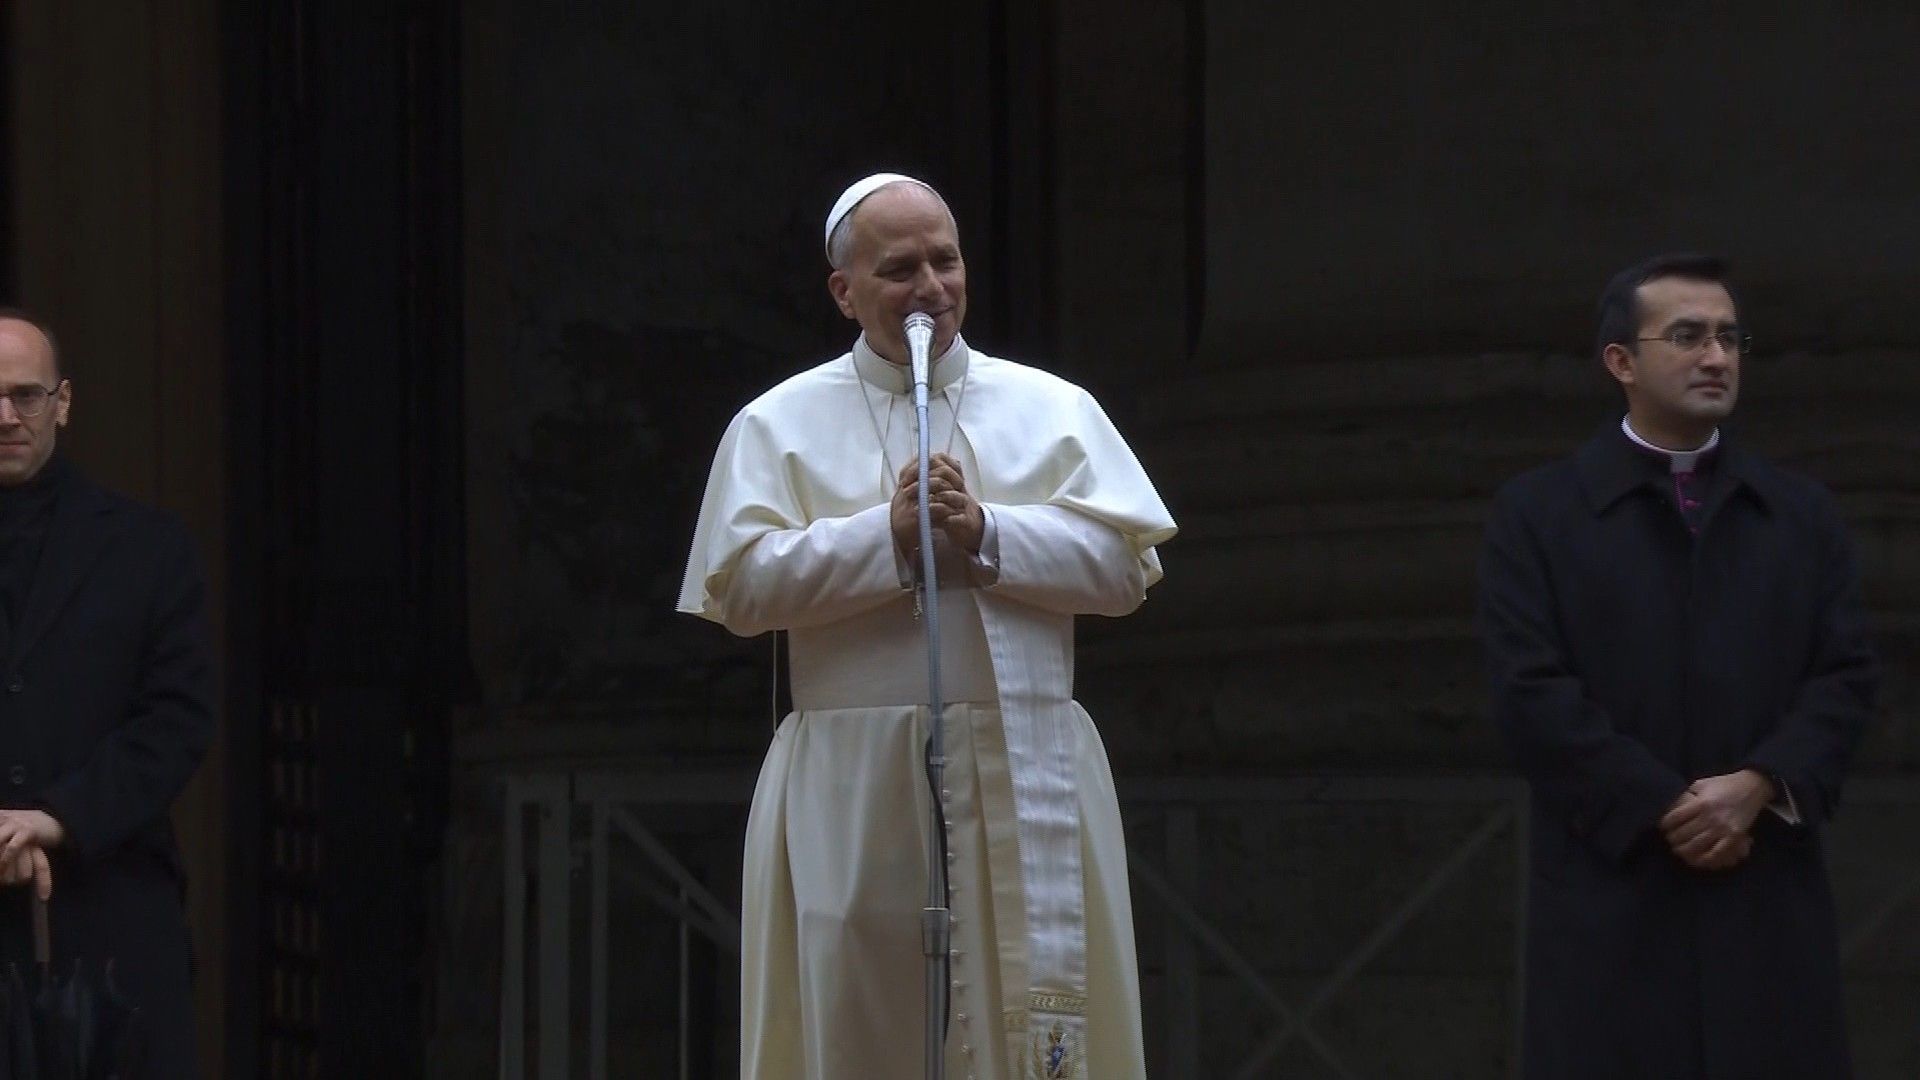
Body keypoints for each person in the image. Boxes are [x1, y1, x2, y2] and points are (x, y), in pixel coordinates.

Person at [679, 174, 1175, 1078]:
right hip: (852, 783)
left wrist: (986, 531)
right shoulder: (776, 423)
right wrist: (889, 539)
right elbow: (742, 589)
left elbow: (1122, 571)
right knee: (862, 1028)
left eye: (945, 261)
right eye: (899, 268)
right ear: (844, 291)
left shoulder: (1052, 409)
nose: (931, 289)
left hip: (1025, 764)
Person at [1477, 254, 1878, 1078]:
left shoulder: (1799, 515)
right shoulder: (1539, 515)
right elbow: (1530, 691)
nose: (1717, 358)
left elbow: (1845, 676)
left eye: (1730, 338)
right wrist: (1663, 803)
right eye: (1688, 336)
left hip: (1764, 885)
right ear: (1621, 361)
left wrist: (1759, 783)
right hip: (1612, 892)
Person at [0, 310, 214, 1077]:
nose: (4, 417)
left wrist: (58, 816)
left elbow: (179, 718)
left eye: (25, 395)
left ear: (62, 401)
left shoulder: (148, 550)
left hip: (111, 917)